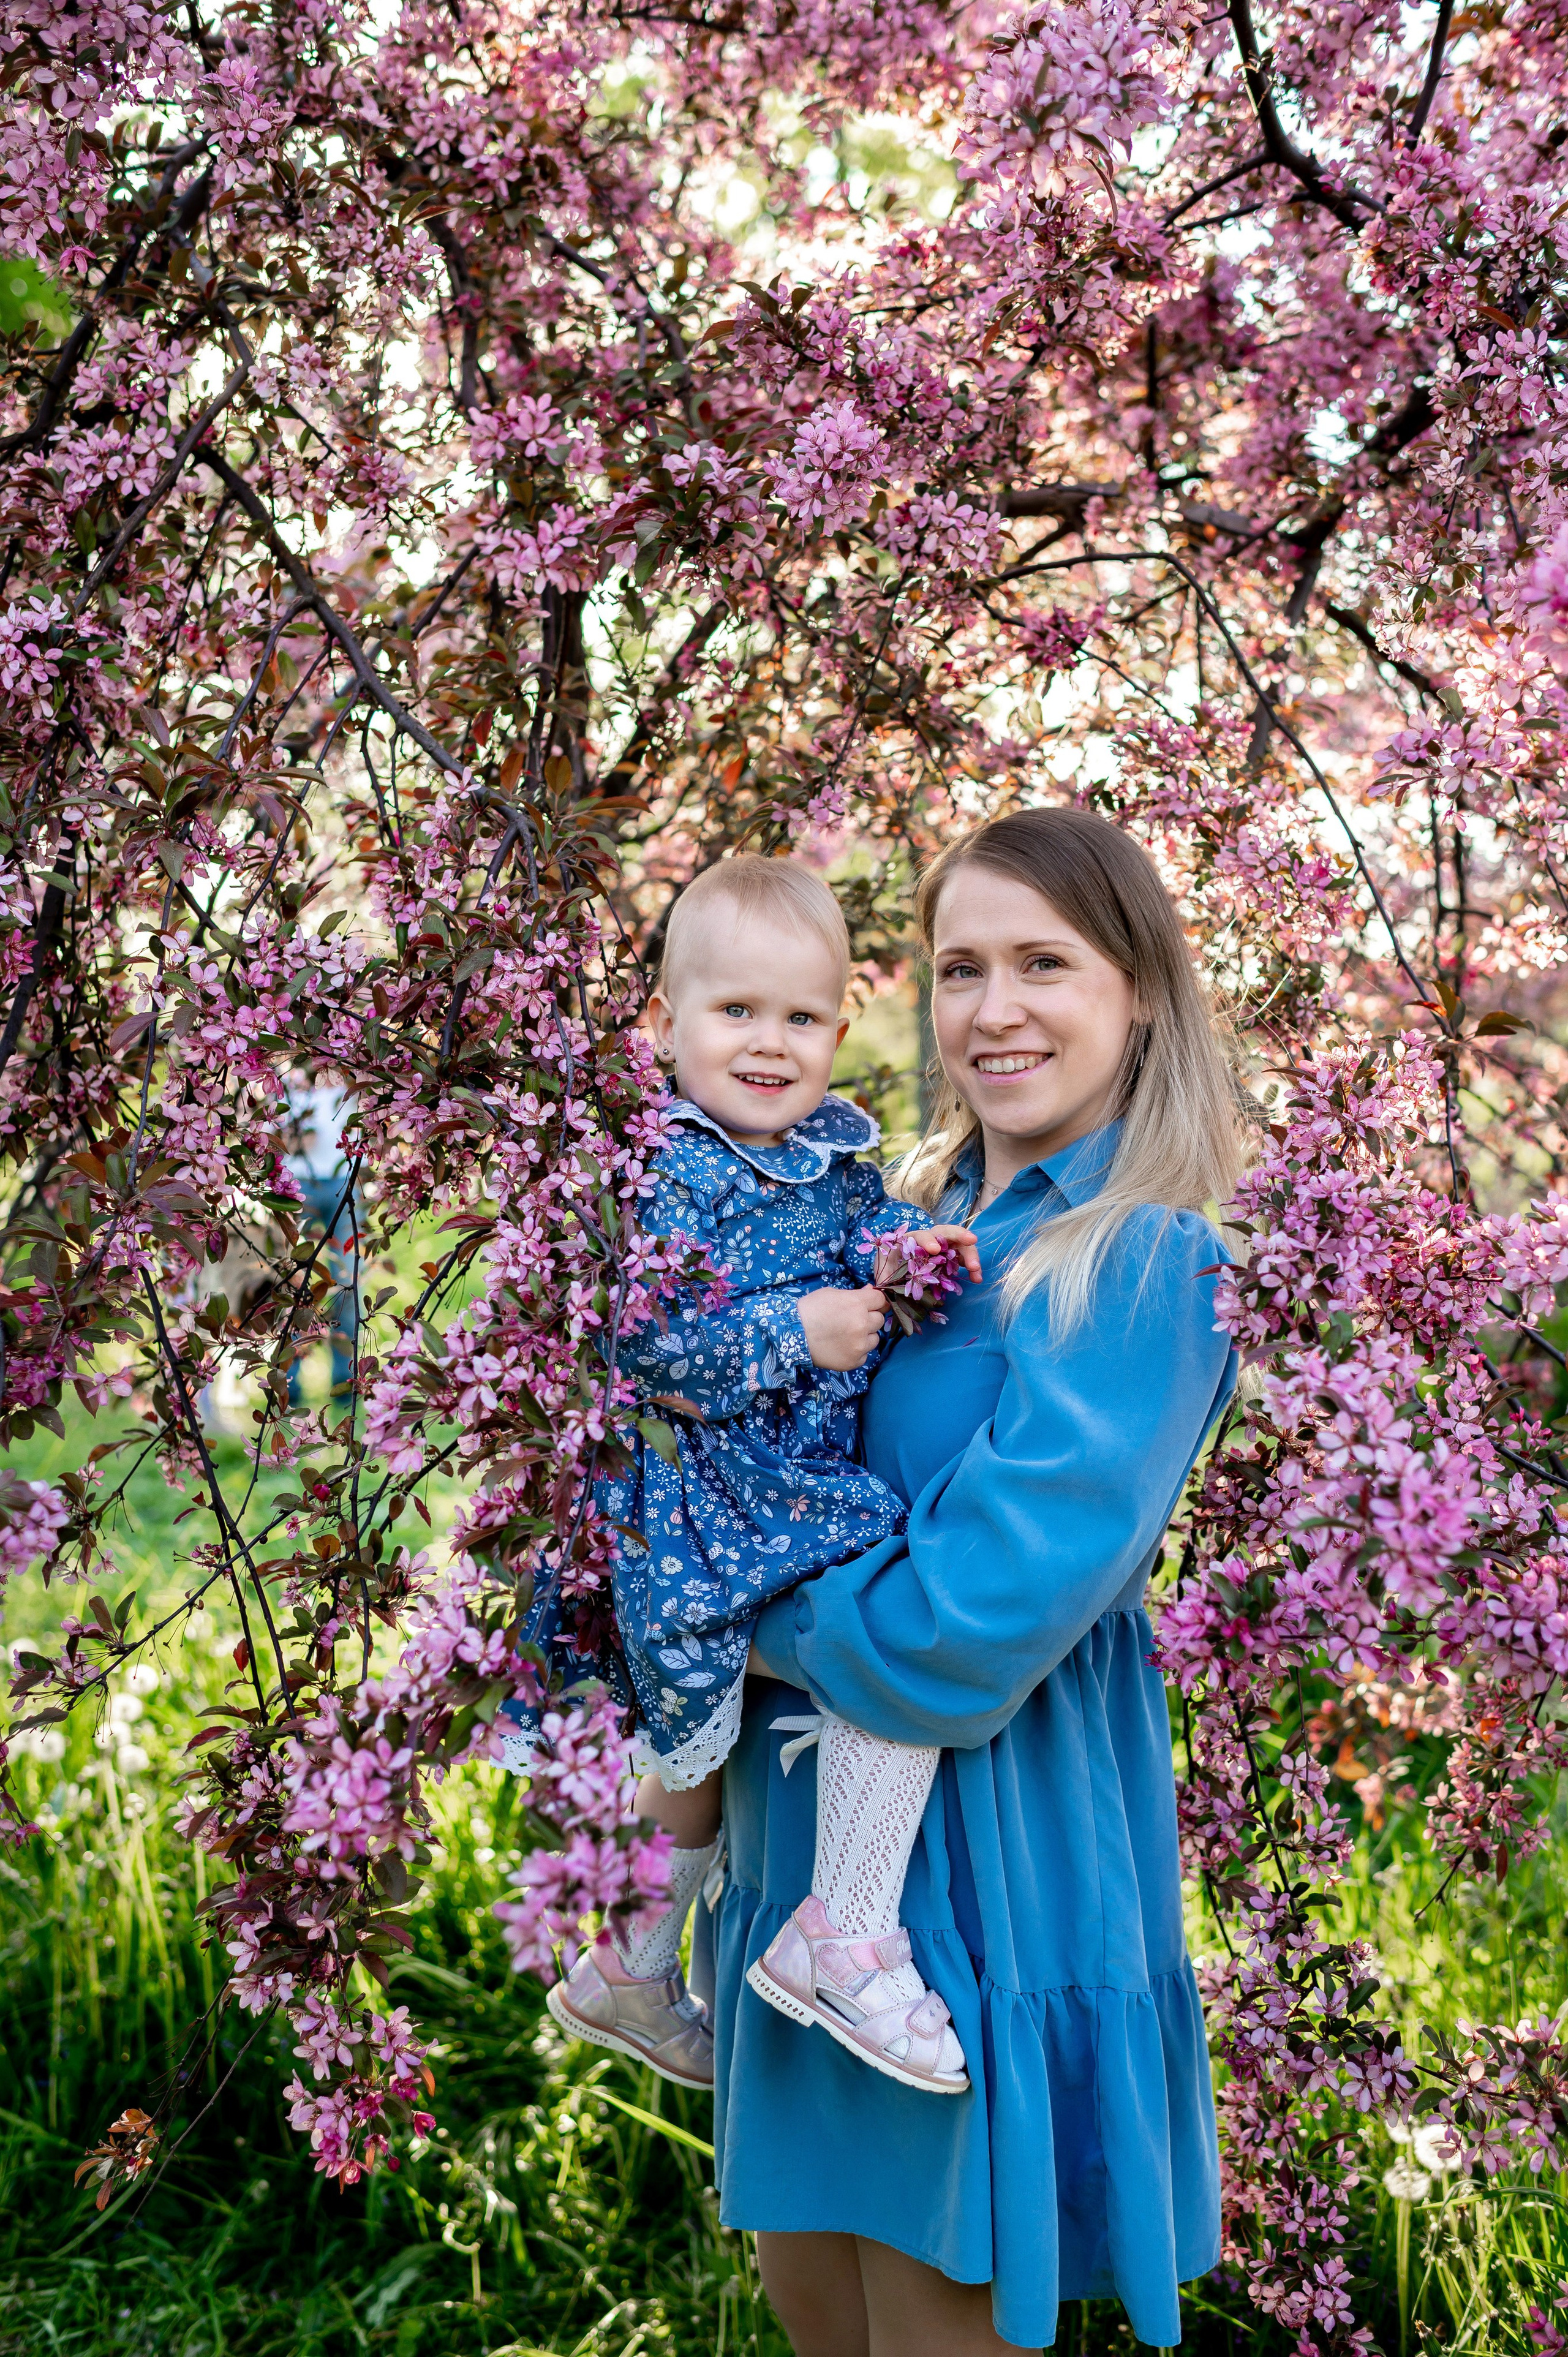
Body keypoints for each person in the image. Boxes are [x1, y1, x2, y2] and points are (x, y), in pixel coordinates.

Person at [704, 808, 1245, 2356]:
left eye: (1041, 965)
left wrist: (737, 1618)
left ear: (1133, 988)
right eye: (958, 968)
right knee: (819, 2319)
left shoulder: (1138, 1254)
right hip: (801, 1868)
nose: (992, 1009)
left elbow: (983, 1601)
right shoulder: (908, 1231)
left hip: (966, 1881)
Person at [519, 856, 982, 2097]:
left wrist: (905, 1258)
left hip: (766, 1481)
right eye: (735, 1013)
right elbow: (640, 1340)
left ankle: (637, 1958)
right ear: (663, 1027)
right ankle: (836, 1927)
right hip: (701, 1494)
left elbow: (855, 1240)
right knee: (883, 1621)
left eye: (798, 1017)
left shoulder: (831, 1155)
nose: (768, 1044)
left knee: (708, 1755)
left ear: (837, 1030)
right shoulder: (669, 1169)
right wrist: (797, 1332)